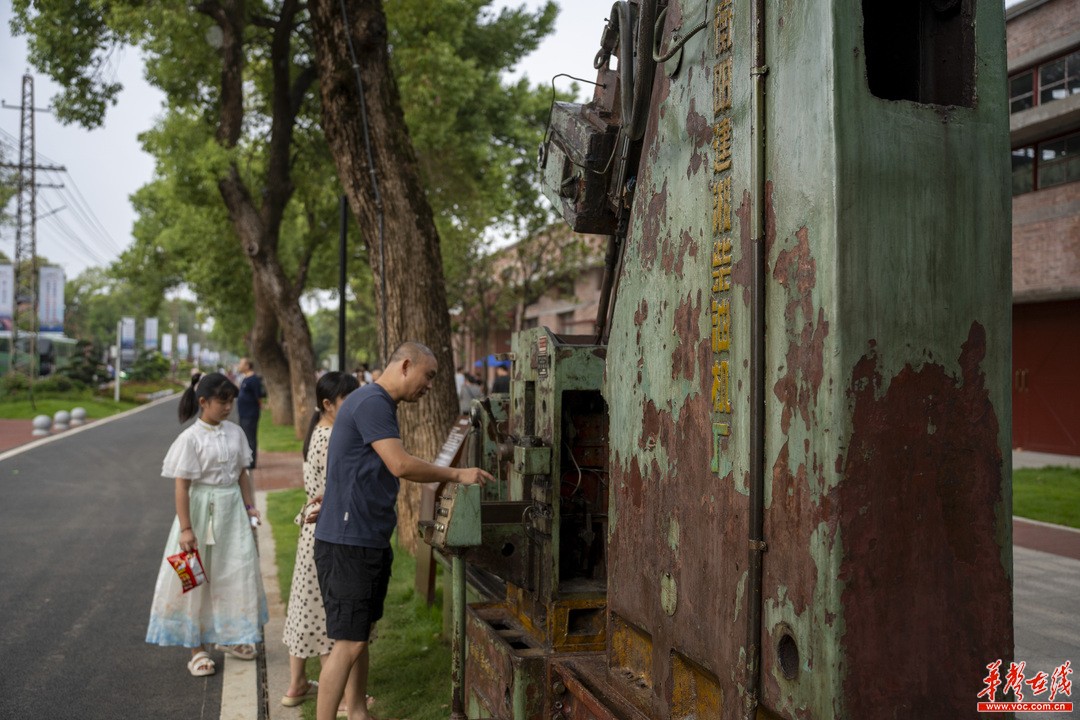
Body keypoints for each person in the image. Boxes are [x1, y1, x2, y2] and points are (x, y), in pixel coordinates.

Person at [313, 342, 493, 720]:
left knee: (360, 638)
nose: (430, 386)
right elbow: (399, 465)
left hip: (364, 537)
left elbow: (351, 466)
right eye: (428, 376)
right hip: (350, 542)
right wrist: (458, 473)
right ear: (406, 365)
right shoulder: (373, 402)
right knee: (347, 643)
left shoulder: (375, 403)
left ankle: (358, 711)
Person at [146, 372, 269, 676]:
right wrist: (187, 529)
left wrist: (249, 506)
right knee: (195, 578)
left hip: (231, 514)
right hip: (200, 514)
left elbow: (243, 473)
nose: (228, 407)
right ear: (203, 402)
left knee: (234, 573)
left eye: (231, 401)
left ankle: (230, 636)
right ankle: (196, 648)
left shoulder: (236, 433)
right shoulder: (190, 439)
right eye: (222, 401)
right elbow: (181, 487)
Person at [281, 371, 361, 708]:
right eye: (348, 398)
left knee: (308, 607)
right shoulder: (331, 436)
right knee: (333, 617)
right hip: (329, 528)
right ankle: (342, 700)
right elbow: (340, 487)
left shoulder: (320, 429)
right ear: (327, 404)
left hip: (314, 529)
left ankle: (297, 684)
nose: (355, 404)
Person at [236, 357, 266, 469]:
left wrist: (261, 405)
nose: (239, 365)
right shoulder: (245, 378)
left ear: (247, 366)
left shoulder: (253, 379)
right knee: (244, 437)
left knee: (250, 437)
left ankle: (251, 462)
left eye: (241, 363)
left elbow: (258, 396)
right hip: (243, 413)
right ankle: (246, 459)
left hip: (250, 414)